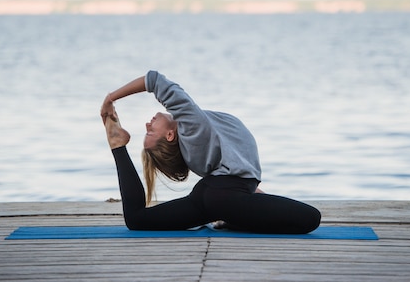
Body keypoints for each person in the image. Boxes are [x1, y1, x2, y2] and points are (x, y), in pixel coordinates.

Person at [100, 70, 321, 234]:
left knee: (138, 220)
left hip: (211, 196)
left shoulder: (194, 140)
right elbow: (155, 80)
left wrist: (251, 200)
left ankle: (118, 146)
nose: (147, 126)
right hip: (222, 197)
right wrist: (111, 98)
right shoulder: (192, 124)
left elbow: (233, 175)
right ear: (169, 135)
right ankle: (233, 218)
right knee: (311, 219)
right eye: (150, 133)